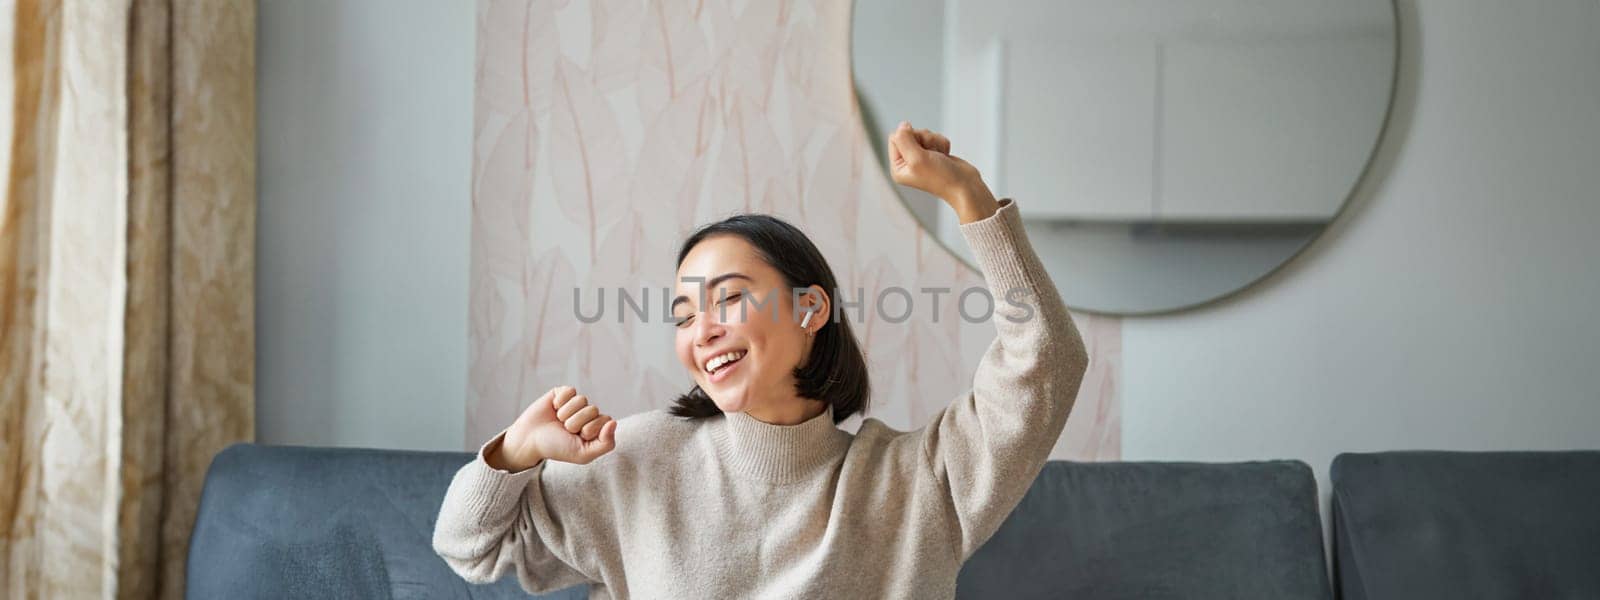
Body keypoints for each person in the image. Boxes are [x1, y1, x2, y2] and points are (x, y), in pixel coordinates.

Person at [433, 122, 1090, 598]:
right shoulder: (637, 460)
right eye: (685, 317)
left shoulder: (915, 484)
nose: (702, 332)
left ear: (810, 310)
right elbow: (469, 549)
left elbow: (1048, 359)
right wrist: (514, 454)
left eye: (728, 300)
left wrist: (969, 198)